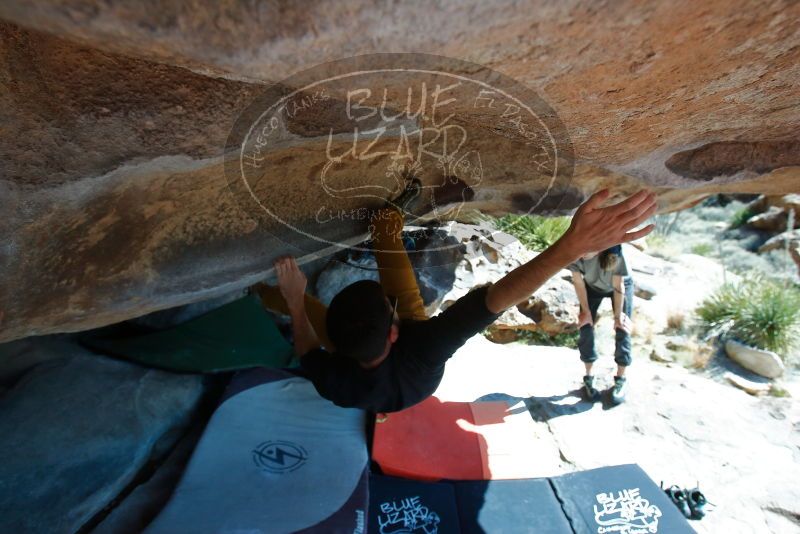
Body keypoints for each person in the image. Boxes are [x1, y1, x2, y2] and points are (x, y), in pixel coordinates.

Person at [254, 182, 656, 413]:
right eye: (386, 302)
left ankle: (263, 291)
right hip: (406, 373)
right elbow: (500, 297)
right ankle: (386, 220)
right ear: (394, 330)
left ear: (335, 345)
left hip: (384, 375)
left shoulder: (335, 379)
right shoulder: (422, 346)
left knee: (295, 302)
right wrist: (569, 247)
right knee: (386, 237)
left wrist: (293, 300)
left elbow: (307, 345)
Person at [569, 245, 634, 404]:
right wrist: (586, 312)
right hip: (592, 287)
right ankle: (589, 376)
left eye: (586, 250)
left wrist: (618, 317)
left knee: (622, 327)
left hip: (619, 287)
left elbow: (618, 287)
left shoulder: (614, 252)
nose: (582, 253)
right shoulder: (576, 250)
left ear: (598, 246)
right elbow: (578, 282)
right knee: (585, 325)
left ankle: (621, 378)